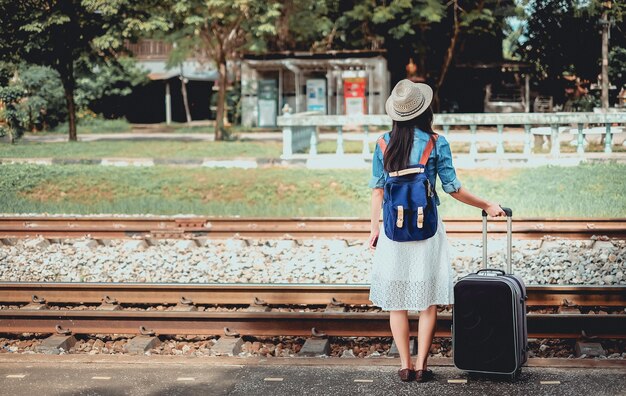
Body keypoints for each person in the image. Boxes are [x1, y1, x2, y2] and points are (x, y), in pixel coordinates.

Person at [368, 79, 505, 382]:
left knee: (398, 301)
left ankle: (403, 365)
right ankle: (421, 366)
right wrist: (487, 204)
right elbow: (453, 188)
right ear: (424, 110)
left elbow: (377, 191)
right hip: (427, 229)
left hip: (393, 231)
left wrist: (374, 229)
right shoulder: (436, 142)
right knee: (428, 301)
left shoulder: (381, 143)